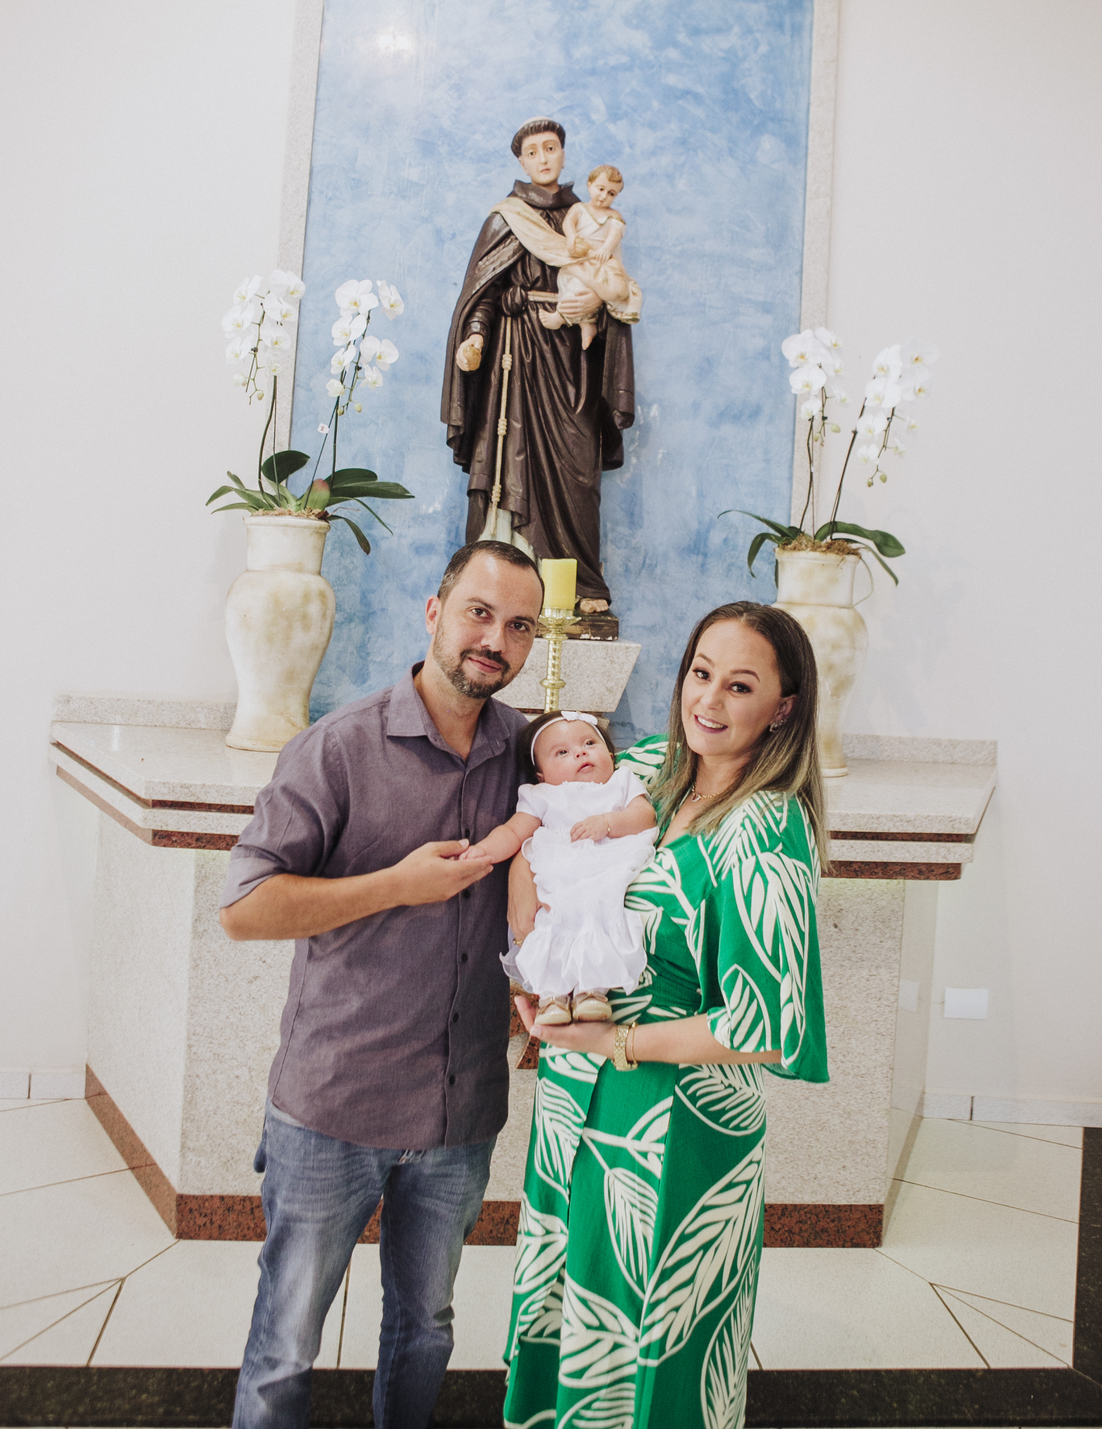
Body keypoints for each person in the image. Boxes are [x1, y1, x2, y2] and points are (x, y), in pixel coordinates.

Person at [218, 540, 544, 1429]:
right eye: (479, 613)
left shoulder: (534, 756)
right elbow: (243, 907)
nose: (496, 640)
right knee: (287, 1344)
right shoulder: (337, 749)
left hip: (459, 1113)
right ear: (435, 612)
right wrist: (395, 885)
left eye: (520, 626)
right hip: (334, 1106)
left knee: (426, 1328)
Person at [503, 601, 830, 1429]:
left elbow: (765, 1025)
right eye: (701, 673)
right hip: (577, 1105)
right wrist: (530, 943)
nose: (708, 700)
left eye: (740, 686)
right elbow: (547, 827)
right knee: (573, 1322)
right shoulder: (653, 765)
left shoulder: (764, 832)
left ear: (782, 708)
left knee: (652, 1358)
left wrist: (617, 1039)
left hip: (673, 1130)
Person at [440, 117, 635, 614]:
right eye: (532, 152)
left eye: (551, 148)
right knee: (512, 462)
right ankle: (500, 592)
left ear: (564, 154)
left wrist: (594, 307)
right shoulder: (506, 219)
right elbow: (481, 294)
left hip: (573, 363)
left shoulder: (586, 218)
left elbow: (610, 279)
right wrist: (476, 336)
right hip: (516, 362)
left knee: (578, 473)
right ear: (521, 161)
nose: (543, 158)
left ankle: (578, 587)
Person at [468, 709, 657, 1027]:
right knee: (552, 920)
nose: (580, 753)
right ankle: (552, 994)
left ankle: (591, 990)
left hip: (607, 863)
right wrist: (483, 852)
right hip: (560, 869)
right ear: (541, 775)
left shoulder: (622, 782)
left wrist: (608, 822)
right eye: (562, 752)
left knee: (601, 914)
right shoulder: (541, 795)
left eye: (589, 743)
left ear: (611, 756)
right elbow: (514, 832)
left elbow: (645, 817)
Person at [538, 163, 642, 349]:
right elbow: (568, 223)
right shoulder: (579, 208)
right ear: (589, 185)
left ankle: (562, 317)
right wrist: (572, 236)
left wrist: (606, 249)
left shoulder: (613, 216)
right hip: (578, 257)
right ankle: (585, 324)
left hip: (597, 260)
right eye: (600, 189)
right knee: (567, 283)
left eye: (611, 193)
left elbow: (615, 234)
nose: (604, 196)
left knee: (584, 289)